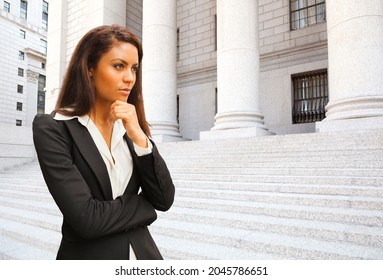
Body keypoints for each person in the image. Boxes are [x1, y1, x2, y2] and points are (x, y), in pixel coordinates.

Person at [33, 24, 175, 260]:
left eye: (134, 68)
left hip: (142, 254)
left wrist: (139, 136)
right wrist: (143, 207)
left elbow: (163, 198)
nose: (129, 78)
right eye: (119, 66)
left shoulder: (130, 124)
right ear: (90, 68)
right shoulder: (54, 128)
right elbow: (86, 219)